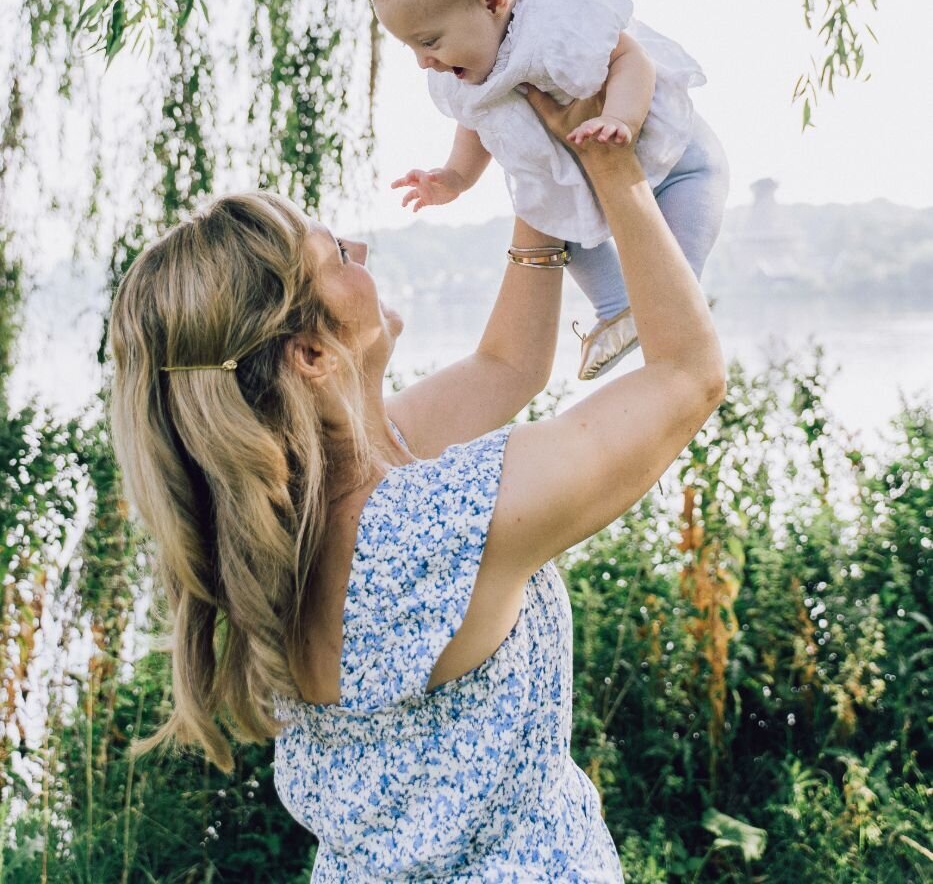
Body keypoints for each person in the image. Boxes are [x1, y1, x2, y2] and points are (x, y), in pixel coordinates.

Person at [108, 79, 725, 881]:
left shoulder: (285, 515)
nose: (360, 255)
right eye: (333, 258)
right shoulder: (432, 524)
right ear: (311, 354)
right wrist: (609, 165)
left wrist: (533, 170)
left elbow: (506, 367)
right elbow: (686, 376)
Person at [366, 0, 729, 381]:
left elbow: (631, 59)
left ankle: (671, 300)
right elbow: (474, 119)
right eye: (410, 47)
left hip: (678, 160)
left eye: (429, 41)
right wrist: (454, 177)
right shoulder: (465, 70)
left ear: (493, 2)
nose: (423, 62)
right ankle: (616, 307)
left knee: (676, 272)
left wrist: (620, 119)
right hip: (584, 184)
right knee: (549, 215)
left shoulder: (555, 25)